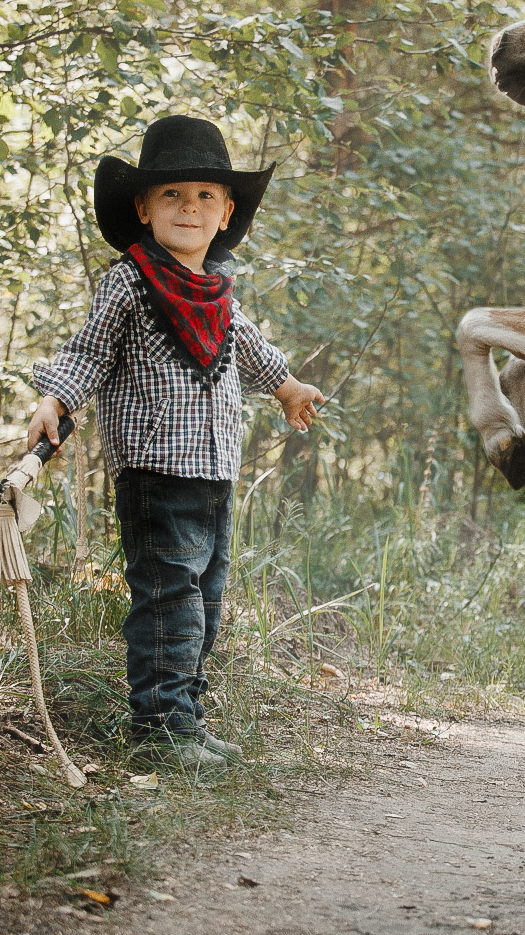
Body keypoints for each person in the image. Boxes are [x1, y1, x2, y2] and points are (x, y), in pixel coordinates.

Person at [24, 115, 323, 769]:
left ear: (226, 214)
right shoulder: (129, 282)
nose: (189, 208)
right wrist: (56, 399)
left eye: (205, 196)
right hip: (155, 470)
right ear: (143, 207)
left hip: (214, 470)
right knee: (170, 599)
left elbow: (252, 351)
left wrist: (288, 388)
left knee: (205, 602)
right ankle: (159, 728)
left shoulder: (219, 293)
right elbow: (89, 352)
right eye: (172, 195)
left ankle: (185, 715)